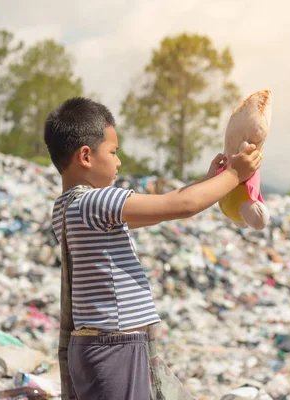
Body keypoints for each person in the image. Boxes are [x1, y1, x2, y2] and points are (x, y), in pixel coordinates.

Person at [44, 97, 262, 400]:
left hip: (100, 345)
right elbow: (180, 206)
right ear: (85, 156)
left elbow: (165, 206)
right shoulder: (96, 201)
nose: (119, 161)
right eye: (113, 152)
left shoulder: (67, 208)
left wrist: (210, 181)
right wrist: (234, 176)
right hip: (114, 346)